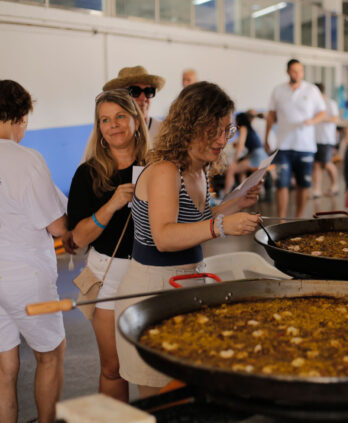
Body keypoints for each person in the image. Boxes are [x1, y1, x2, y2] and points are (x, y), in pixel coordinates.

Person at [115, 81, 262, 397]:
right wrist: (222, 226)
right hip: (152, 289)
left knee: (184, 394)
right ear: (189, 125)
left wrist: (234, 204)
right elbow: (165, 237)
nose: (222, 140)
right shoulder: (166, 170)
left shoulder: (198, 170)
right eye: (214, 130)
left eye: (227, 130)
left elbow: (195, 219)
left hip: (186, 283)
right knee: (160, 400)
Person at [0, 80, 70, 423]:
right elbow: (57, 227)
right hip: (25, 279)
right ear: (21, 115)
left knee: (1, 364)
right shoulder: (27, 159)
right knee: (52, 354)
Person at [67, 89, 149, 402]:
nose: (113, 125)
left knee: (151, 368)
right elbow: (79, 237)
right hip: (109, 275)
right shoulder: (88, 174)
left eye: (120, 117)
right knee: (113, 367)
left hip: (151, 270)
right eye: (105, 120)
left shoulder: (158, 168)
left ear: (137, 122)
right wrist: (112, 204)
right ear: (99, 128)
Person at [265, 58, 326, 218]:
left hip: (305, 146)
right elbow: (271, 115)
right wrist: (266, 138)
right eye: (294, 71)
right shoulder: (278, 90)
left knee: (303, 185)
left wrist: (312, 121)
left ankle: (298, 218)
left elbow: (322, 112)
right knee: (281, 184)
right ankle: (282, 219)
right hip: (283, 145)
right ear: (288, 72)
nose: (297, 74)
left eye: (300, 71)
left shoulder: (311, 90)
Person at [82, 66, 164, 161]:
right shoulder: (105, 133)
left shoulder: (163, 131)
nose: (143, 98)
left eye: (149, 91)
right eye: (135, 91)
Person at [224, 111, 268, 194]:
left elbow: (240, 145)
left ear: (239, 121)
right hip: (262, 156)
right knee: (241, 171)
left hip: (257, 157)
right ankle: (243, 193)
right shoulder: (250, 130)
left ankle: (226, 195)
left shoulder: (243, 128)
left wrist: (235, 161)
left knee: (230, 170)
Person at [312, 83, 340, 198]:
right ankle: (317, 189)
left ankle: (335, 185)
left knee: (327, 163)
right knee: (316, 164)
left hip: (326, 138)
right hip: (314, 138)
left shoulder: (330, 103)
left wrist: (322, 118)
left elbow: (335, 119)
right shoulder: (313, 104)